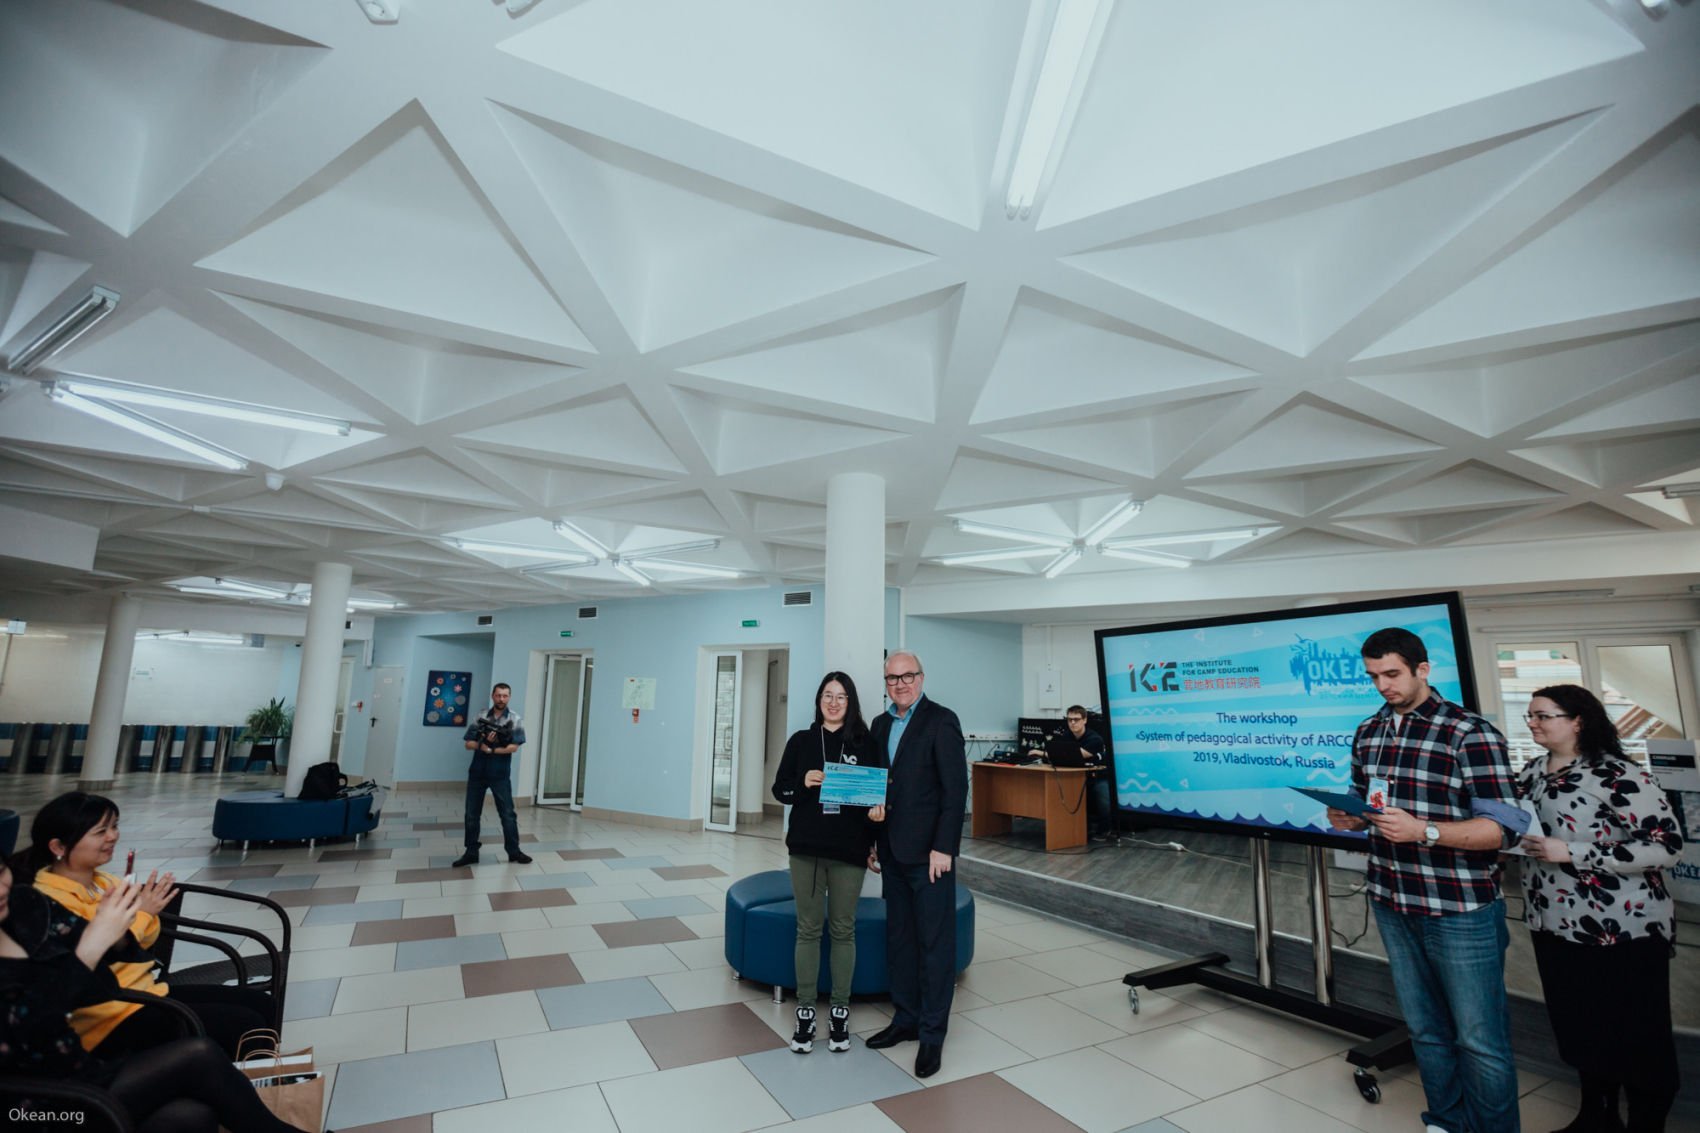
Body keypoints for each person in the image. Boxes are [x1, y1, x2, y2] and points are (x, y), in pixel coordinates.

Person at [1326, 627, 1522, 1133]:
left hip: (1461, 909)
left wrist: (1425, 831)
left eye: (1392, 674)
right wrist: (1350, 817)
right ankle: (1446, 1123)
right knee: (1426, 1030)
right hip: (1392, 899)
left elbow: (1504, 830)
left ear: (1423, 669)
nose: (1383, 685)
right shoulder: (1369, 731)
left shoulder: (1469, 733)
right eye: (1373, 676)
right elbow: (1367, 805)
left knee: (1479, 1040)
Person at [0, 858, 321, 1133]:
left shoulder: (25, 907)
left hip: (82, 1068)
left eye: (1, 872)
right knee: (199, 1055)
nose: (1, 889)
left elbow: (99, 978)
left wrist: (119, 928)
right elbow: (32, 1026)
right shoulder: (43, 894)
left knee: (192, 1115)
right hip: (32, 1106)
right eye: (100, 831)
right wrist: (92, 946)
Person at [1518, 684, 1682, 1133]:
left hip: (1623, 929)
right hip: (1554, 922)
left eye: (1543, 715)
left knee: (1638, 1035)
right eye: (1530, 716)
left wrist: (1573, 852)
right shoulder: (1531, 771)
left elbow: (1667, 846)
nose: (1532, 723)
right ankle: (1596, 1117)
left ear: (1578, 721)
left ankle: (1645, 1124)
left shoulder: (1618, 774)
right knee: (1581, 1028)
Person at [15, 792, 273, 1058]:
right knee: (244, 1023)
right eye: (100, 831)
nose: (112, 836)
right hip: (108, 1014)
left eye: (114, 826)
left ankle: (263, 1074)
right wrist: (141, 915)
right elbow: (95, 962)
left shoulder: (106, 883)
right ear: (58, 847)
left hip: (146, 992)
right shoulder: (49, 901)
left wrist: (146, 915)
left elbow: (142, 944)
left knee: (261, 1004)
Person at [770, 671, 887, 1054]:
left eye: (841, 696)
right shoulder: (801, 741)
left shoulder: (866, 743)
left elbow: (876, 800)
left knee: (842, 930)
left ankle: (839, 1009)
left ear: (850, 702)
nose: (834, 703)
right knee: (807, 929)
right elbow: (780, 790)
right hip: (805, 849)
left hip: (849, 851)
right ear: (819, 700)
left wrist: (876, 823)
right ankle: (805, 1010)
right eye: (827, 695)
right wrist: (802, 782)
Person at [863, 650, 966, 1080]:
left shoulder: (942, 720)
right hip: (891, 851)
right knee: (900, 941)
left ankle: (932, 1034)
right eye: (892, 678)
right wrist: (872, 842)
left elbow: (955, 790)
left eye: (908, 676)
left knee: (934, 945)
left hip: (930, 858)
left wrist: (944, 847)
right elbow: (877, 787)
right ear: (886, 683)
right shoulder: (879, 724)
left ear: (921, 678)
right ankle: (905, 1019)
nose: (900, 684)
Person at [454, 682, 532, 867]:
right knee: (471, 814)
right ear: (492, 696)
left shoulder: (515, 719)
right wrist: (482, 745)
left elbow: (514, 747)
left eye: (505, 696)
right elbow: (468, 743)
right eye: (498, 695)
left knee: (507, 814)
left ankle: (514, 852)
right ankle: (471, 852)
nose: (501, 699)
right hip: (477, 771)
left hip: (500, 773)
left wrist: (492, 750)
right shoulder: (481, 716)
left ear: (509, 697)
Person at [1030, 706, 1112, 840]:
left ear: (1084, 720)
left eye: (1076, 719)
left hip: (1098, 776)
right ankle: (1079, 828)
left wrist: (1039, 752)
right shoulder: (1066, 736)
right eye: (1069, 720)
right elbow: (1058, 753)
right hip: (1076, 776)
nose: (1072, 723)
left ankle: (1104, 830)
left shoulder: (1095, 739)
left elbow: (1077, 754)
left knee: (1103, 798)